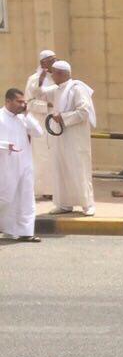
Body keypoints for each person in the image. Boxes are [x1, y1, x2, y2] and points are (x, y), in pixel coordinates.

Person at [47, 60, 96, 216]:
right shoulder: (57, 90)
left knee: (79, 169)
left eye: (53, 73)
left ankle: (88, 205)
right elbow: (39, 93)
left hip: (76, 139)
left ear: (61, 73)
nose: (51, 76)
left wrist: (63, 117)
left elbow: (84, 112)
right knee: (61, 169)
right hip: (61, 138)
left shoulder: (77, 89)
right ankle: (64, 204)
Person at [0, 88, 43, 242]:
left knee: (26, 197)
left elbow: (38, 132)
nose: (23, 104)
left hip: (25, 163)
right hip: (6, 164)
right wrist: (5, 145)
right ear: (8, 101)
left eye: (24, 101)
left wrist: (28, 116)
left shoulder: (23, 118)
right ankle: (6, 228)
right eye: (19, 102)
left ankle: (26, 232)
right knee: (5, 198)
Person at [24, 50, 56, 199]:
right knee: (43, 157)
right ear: (43, 63)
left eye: (55, 60)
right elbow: (28, 103)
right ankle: (45, 190)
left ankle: (57, 190)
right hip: (41, 124)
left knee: (56, 156)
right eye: (51, 61)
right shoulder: (33, 79)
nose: (54, 63)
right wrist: (47, 105)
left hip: (57, 124)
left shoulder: (58, 77)